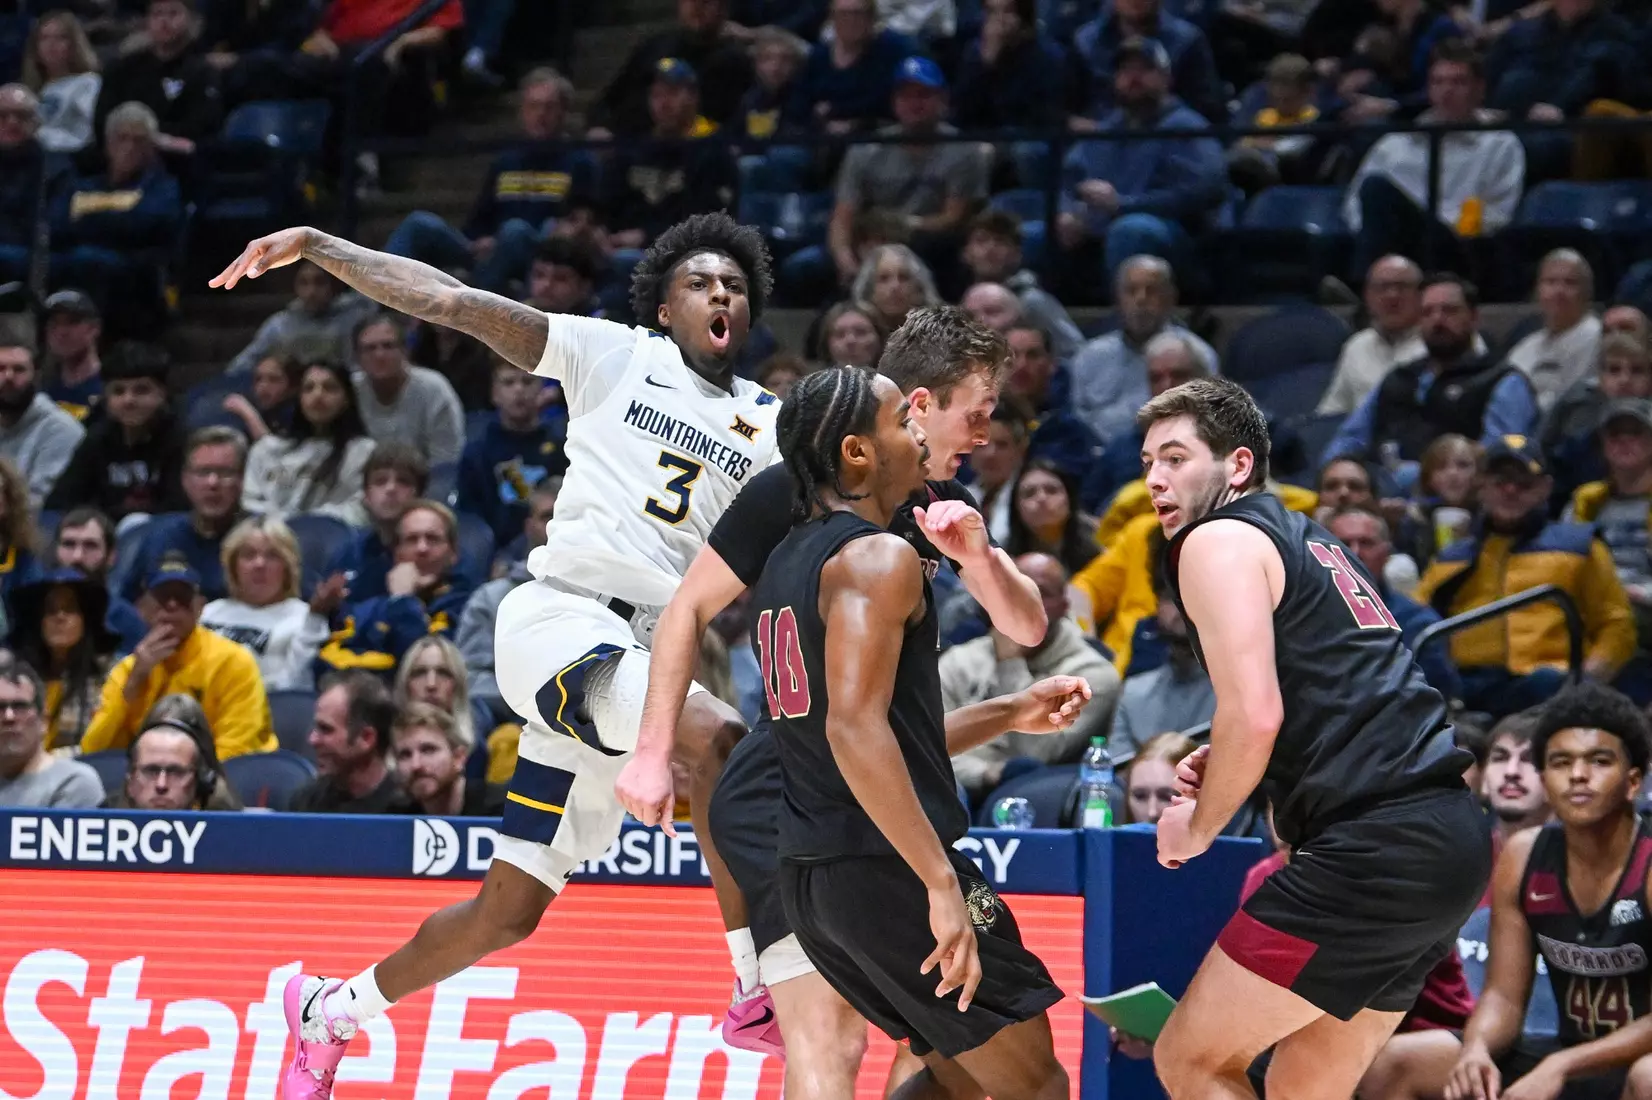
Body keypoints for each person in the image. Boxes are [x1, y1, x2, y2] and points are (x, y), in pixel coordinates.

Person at [211, 211, 782, 1097]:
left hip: (645, 657)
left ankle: (330, 1009)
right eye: (700, 283)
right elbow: (451, 299)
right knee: (716, 743)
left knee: (506, 913)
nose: (720, 294)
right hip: (562, 625)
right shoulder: (613, 354)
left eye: (735, 286)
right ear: (664, 308)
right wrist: (325, 247)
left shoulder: (769, 424)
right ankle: (754, 987)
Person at [618, 308, 1047, 1078]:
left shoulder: (921, 506)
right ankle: (756, 975)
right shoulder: (806, 497)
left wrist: (979, 569)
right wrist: (653, 751)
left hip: (838, 812)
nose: (982, 436)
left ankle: (763, 971)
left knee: (941, 1059)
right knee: (838, 1045)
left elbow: (1025, 624)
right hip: (805, 803)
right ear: (914, 411)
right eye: (974, 416)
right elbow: (689, 612)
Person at [1137, 376, 1490, 1100]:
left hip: (1374, 850)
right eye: (1147, 462)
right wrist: (1262, 765)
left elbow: (1255, 714)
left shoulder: (1216, 540)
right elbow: (1317, 706)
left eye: (1175, 458)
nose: (1155, 479)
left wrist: (1195, 829)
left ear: (1237, 466)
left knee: (1189, 1060)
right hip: (1445, 838)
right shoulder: (1309, 539)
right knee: (1302, 1086)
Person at [744, 365, 1075, 1097]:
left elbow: (874, 731)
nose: (917, 433)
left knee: (954, 1077)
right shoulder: (877, 557)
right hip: (883, 867)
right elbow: (855, 733)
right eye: (901, 421)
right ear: (858, 452)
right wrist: (937, 883)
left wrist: (1009, 712)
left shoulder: (786, 563)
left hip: (813, 879)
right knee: (1036, 1086)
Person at [1387, 684, 1652, 1100]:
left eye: (1599, 761)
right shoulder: (1524, 855)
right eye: (1561, 762)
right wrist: (1476, 1049)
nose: (1578, 774)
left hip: (1634, 1060)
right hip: (1566, 1052)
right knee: (1399, 1062)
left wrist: (1560, 1066)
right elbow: (1504, 998)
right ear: (1546, 780)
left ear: (1633, 782)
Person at [0, 662, 103, 809]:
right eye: (0, 707)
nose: (9, 717)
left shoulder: (73, 782)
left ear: (44, 721)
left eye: (20, 706)